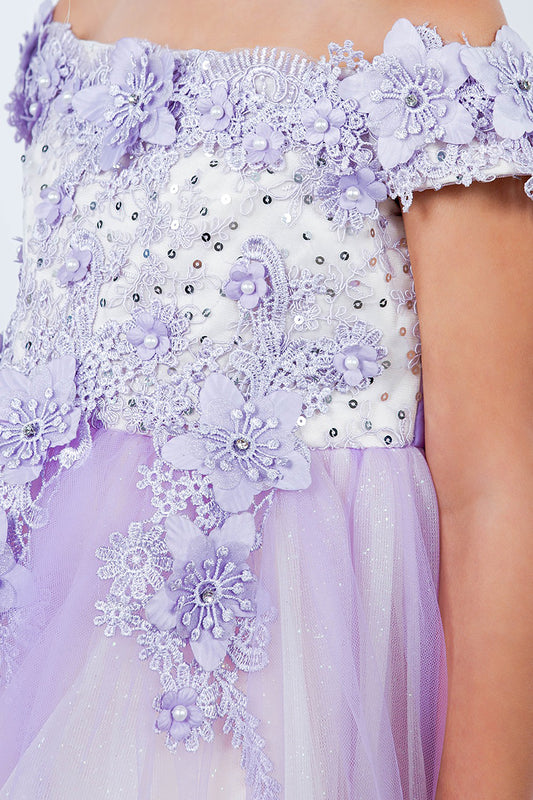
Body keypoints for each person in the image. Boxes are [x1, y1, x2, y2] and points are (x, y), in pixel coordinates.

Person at [0, 0, 531, 797]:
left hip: (285, 670)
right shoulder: (86, 11)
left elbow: (495, 488)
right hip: (58, 646)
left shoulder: (425, 29)